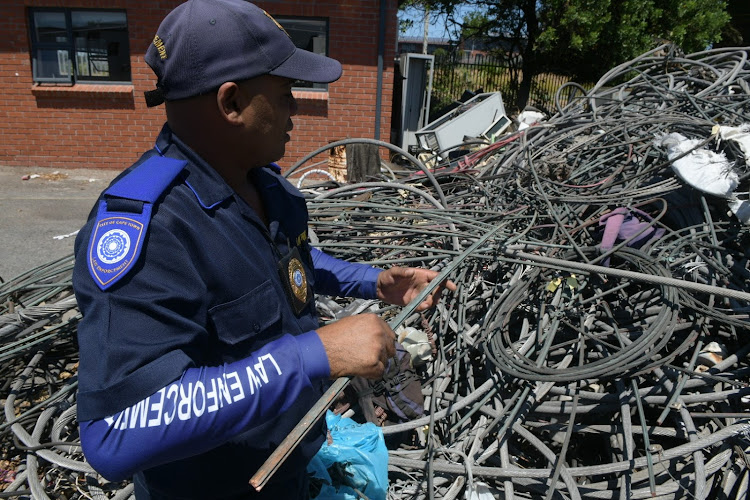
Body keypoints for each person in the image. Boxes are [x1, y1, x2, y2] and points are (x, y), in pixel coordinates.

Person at [71, 0, 456, 498]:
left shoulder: (266, 189)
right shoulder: (154, 229)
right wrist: (313, 355)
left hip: (289, 466)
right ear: (230, 104)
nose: (295, 107)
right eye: (284, 92)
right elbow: (114, 431)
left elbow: (284, 265)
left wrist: (374, 282)